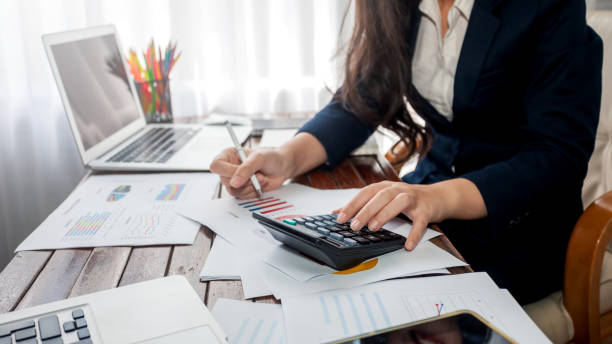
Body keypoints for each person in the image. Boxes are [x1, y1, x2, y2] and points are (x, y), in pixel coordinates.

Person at [210, 0, 602, 305]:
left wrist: (437, 197)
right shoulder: (401, 6)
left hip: (517, 226)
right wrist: (286, 158)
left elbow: (556, 157)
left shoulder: (548, 7)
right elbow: (360, 101)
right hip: (428, 206)